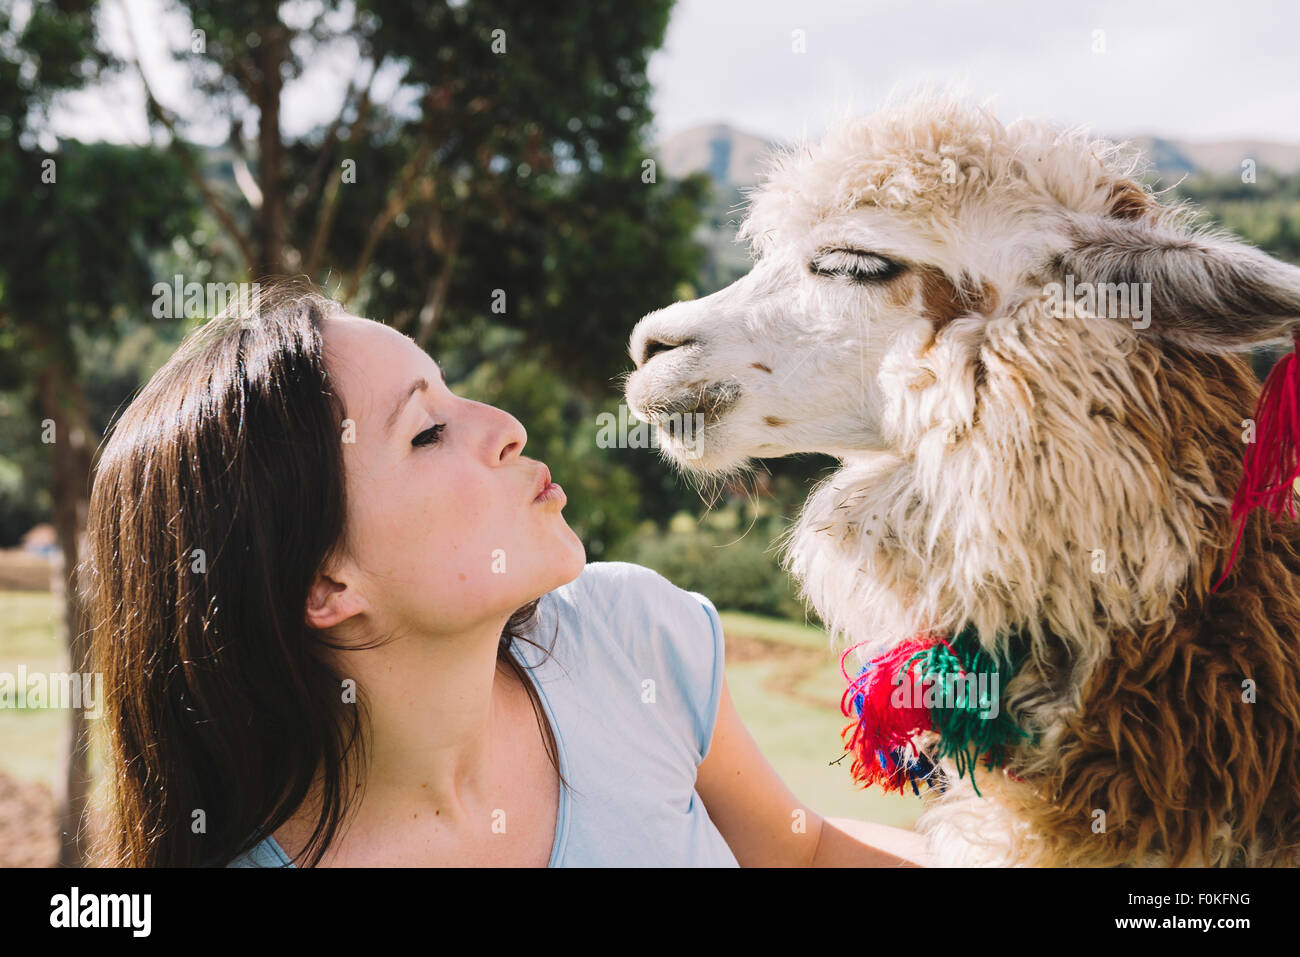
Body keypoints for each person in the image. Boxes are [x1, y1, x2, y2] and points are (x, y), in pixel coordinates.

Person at [84, 279, 932, 867]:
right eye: (426, 432)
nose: (506, 427)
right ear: (325, 586)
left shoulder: (630, 639)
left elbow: (799, 851)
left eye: (455, 396)